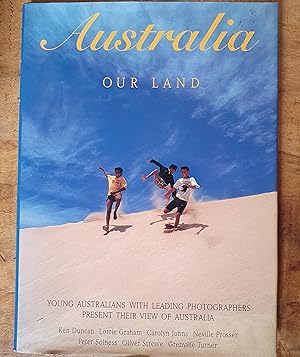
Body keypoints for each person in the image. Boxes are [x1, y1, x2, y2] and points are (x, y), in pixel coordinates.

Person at [163, 166, 200, 230]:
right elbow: (173, 189)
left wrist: (189, 185)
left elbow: (195, 186)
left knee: (178, 215)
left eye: (185, 171)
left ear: (188, 172)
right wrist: (167, 194)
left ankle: (175, 227)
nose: (184, 173)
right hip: (176, 199)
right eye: (182, 172)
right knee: (165, 211)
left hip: (183, 201)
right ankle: (171, 221)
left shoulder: (191, 179)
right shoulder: (180, 180)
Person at [99, 166, 127, 233]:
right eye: (116, 172)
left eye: (119, 173)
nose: (117, 174)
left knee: (118, 198)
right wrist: (103, 169)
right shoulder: (111, 177)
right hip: (110, 196)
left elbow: (124, 188)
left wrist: (116, 192)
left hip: (117, 194)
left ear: (121, 173)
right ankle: (107, 226)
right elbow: (106, 174)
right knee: (108, 210)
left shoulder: (122, 179)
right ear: (115, 172)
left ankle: (115, 211)